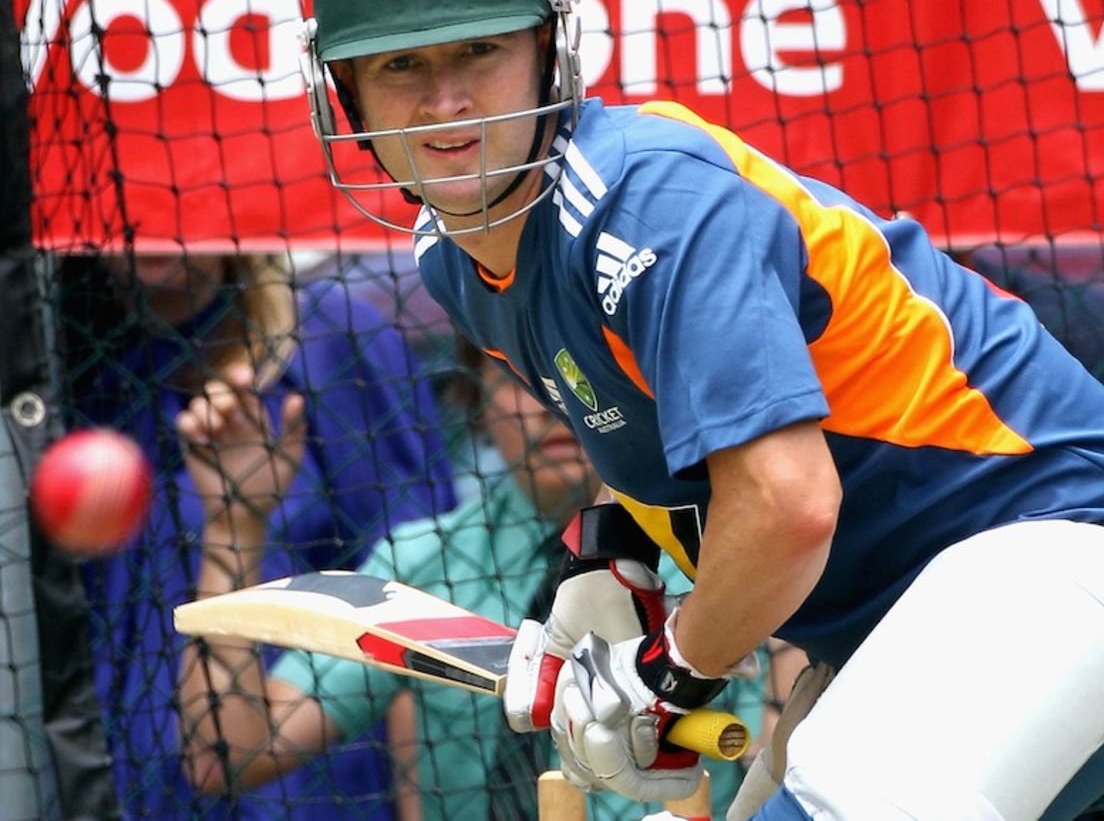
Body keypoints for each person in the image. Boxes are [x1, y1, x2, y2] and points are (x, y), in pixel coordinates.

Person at [296, 0, 1104, 820]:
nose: (448, 102)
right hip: (898, 614)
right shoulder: (454, 258)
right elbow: (653, 418)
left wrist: (666, 677)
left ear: (550, 50)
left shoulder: (648, 205)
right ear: (346, 94)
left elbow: (789, 504)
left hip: (1065, 548)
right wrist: (611, 559)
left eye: (480, 49)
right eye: (400, 65)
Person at [177, 333, 762, 819]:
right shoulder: (421, 564)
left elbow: (775, 755)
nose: (551, 400)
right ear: (477, 405)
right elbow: (228, 754)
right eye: (520, 377)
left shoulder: (724, 552)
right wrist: (235, 521)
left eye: (576, 371)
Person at [58, 252, 457, 821]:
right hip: (126, 788)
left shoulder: (335, 341)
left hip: (307, 786)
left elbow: (424, 603)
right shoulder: (58, 370)